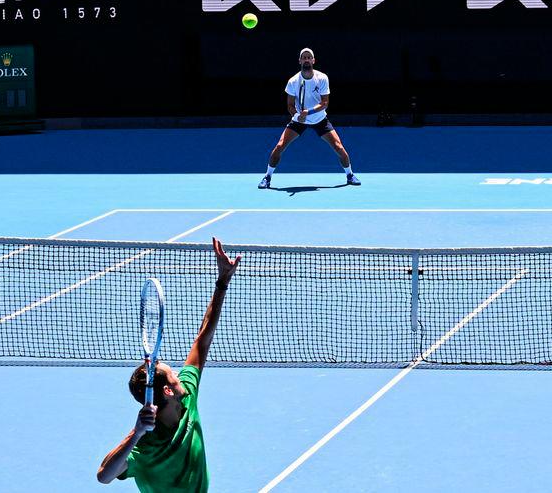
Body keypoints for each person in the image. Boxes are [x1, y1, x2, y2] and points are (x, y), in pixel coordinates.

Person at [97, 237, 241, 492]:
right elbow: (104, 476)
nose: (178, 373)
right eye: (172, 374)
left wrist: (222, 282)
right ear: (167, 391)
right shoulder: (146, 445)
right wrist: (136, 433)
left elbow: (202, 340)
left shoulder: (186, 395)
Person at [258, 48, 361, 189]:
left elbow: (325, 103)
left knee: (339, 147)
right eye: (304, 57)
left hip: (320, 120)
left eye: (309, 57)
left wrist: (308, 112)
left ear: (313, 60)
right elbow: (289, 105)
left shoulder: (322, 78)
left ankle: (350, 175)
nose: (306, 60)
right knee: (279, 146)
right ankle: (267, 177)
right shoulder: (293, 81)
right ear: (300, 61)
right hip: (298, 121)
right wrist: (297, 115)